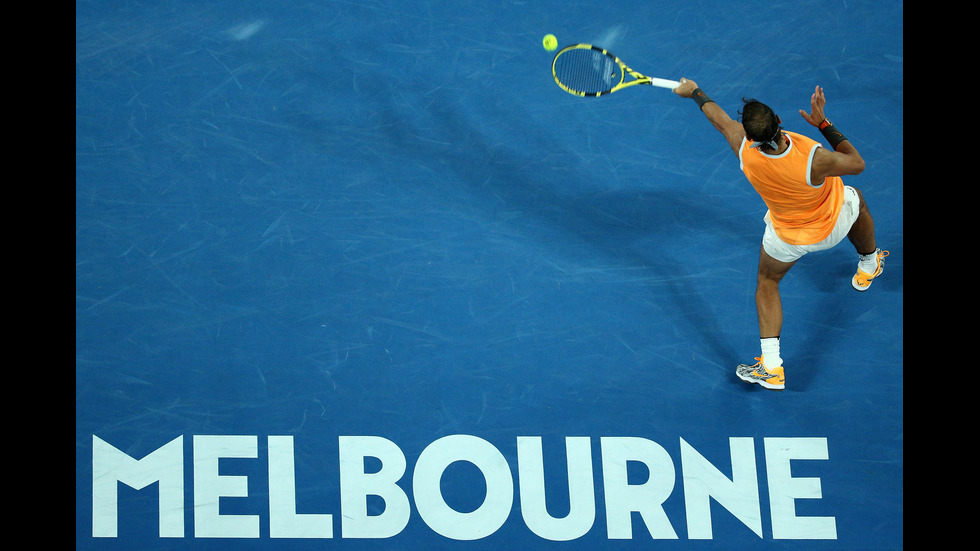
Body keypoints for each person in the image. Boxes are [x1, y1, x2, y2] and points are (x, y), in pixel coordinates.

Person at [672, 79, 887, 391]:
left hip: (788, 239)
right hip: (835, 221)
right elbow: (857, 163)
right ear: (780, 121)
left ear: (749, 135)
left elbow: (718, 118)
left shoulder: (743, 149)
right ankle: (869, 265)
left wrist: (693, 91)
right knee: (858, 200)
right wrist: (823, 123)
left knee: (767, 283)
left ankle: (772, 367)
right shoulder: (815, 159)